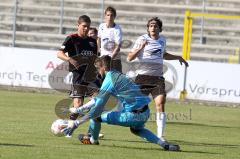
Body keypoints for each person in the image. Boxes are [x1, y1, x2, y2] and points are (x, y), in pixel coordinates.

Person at [63, 55, 180, 151]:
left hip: (132, 116)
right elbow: (97, 99)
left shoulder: (109, 80)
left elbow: (97, 107)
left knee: (96, 117)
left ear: (103, 67)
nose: (98, 72)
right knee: (136, 130)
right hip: (145, 112)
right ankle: (165, 145)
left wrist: (77, 123)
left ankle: (93, 140)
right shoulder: (119, 75)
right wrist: (79, 110)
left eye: (98, 69)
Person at [127, 17, 189, 140]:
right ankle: (138, 128)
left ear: (160, 28)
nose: (153, 28)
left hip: (157, 78)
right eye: (151, 26)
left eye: (155, 26)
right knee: (138, 107)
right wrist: (141, 48)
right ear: (148, 28)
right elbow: (129, 58)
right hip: (142, 78)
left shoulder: (162, 40)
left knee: (160, 103)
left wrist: (178, 57)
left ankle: (161, 136)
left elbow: (163, 54)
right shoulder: (142, 39)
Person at [57, 15, 98, 127]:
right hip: (78, 76)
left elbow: (95, 58)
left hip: (91, 76)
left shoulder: (93, 42)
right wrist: (70, 59)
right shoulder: (71, 38)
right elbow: (59, 53)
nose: (86, 29)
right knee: (78, 105)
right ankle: (69, 128)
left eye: (88, 27)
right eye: (84, 26)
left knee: (98, 100)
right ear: (78, 25)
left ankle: (92, 131)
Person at [97, 6, 123, 72]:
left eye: (112, 15)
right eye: (108, 15)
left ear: (114, 17)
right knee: (103, 80)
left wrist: (110, 59)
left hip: (114, 59)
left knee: (116, 80)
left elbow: (118, 47)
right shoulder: (101, 26)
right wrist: (99, 51)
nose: (109, 17)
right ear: (105, 16)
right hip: (103, 58)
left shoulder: (117, 29)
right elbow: (99, 39)